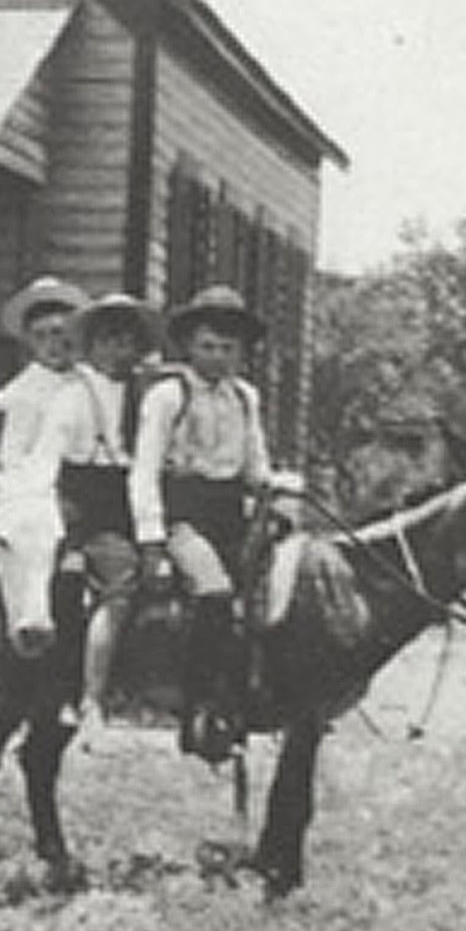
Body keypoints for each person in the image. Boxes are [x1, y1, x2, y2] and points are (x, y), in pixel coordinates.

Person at [129, 285, 284, 762]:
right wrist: (151, 536)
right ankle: (195, 706)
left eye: (228, 348)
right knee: (214, 593)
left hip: (231, 512)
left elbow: (255, 465)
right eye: (208, 346)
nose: (218, 357)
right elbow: (145, 468)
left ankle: (248, 700)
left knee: (271, 597)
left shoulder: (245, 397)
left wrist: (275, 488)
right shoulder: (168, 396)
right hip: (183, 513)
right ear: (189, 347)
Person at [8, 292, 161, 751]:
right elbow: (45, 457)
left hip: (118, 503)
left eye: (127, 342)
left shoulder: (145, 397)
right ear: (90, 346)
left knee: (119, 586)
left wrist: (148, 529)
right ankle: (47, 697)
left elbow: (146, 465)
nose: (117, 351)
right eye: (107, 340)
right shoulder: (73, 395)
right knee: (63, 582)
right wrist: (38, 508)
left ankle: (94, 698)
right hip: (72, 501)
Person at [0, 276, 89, 471]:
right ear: (29, 340)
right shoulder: (27, 392)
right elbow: (11, 456)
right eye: (39, 336)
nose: (51, 344)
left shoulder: (87, 378)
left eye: (57, 332)